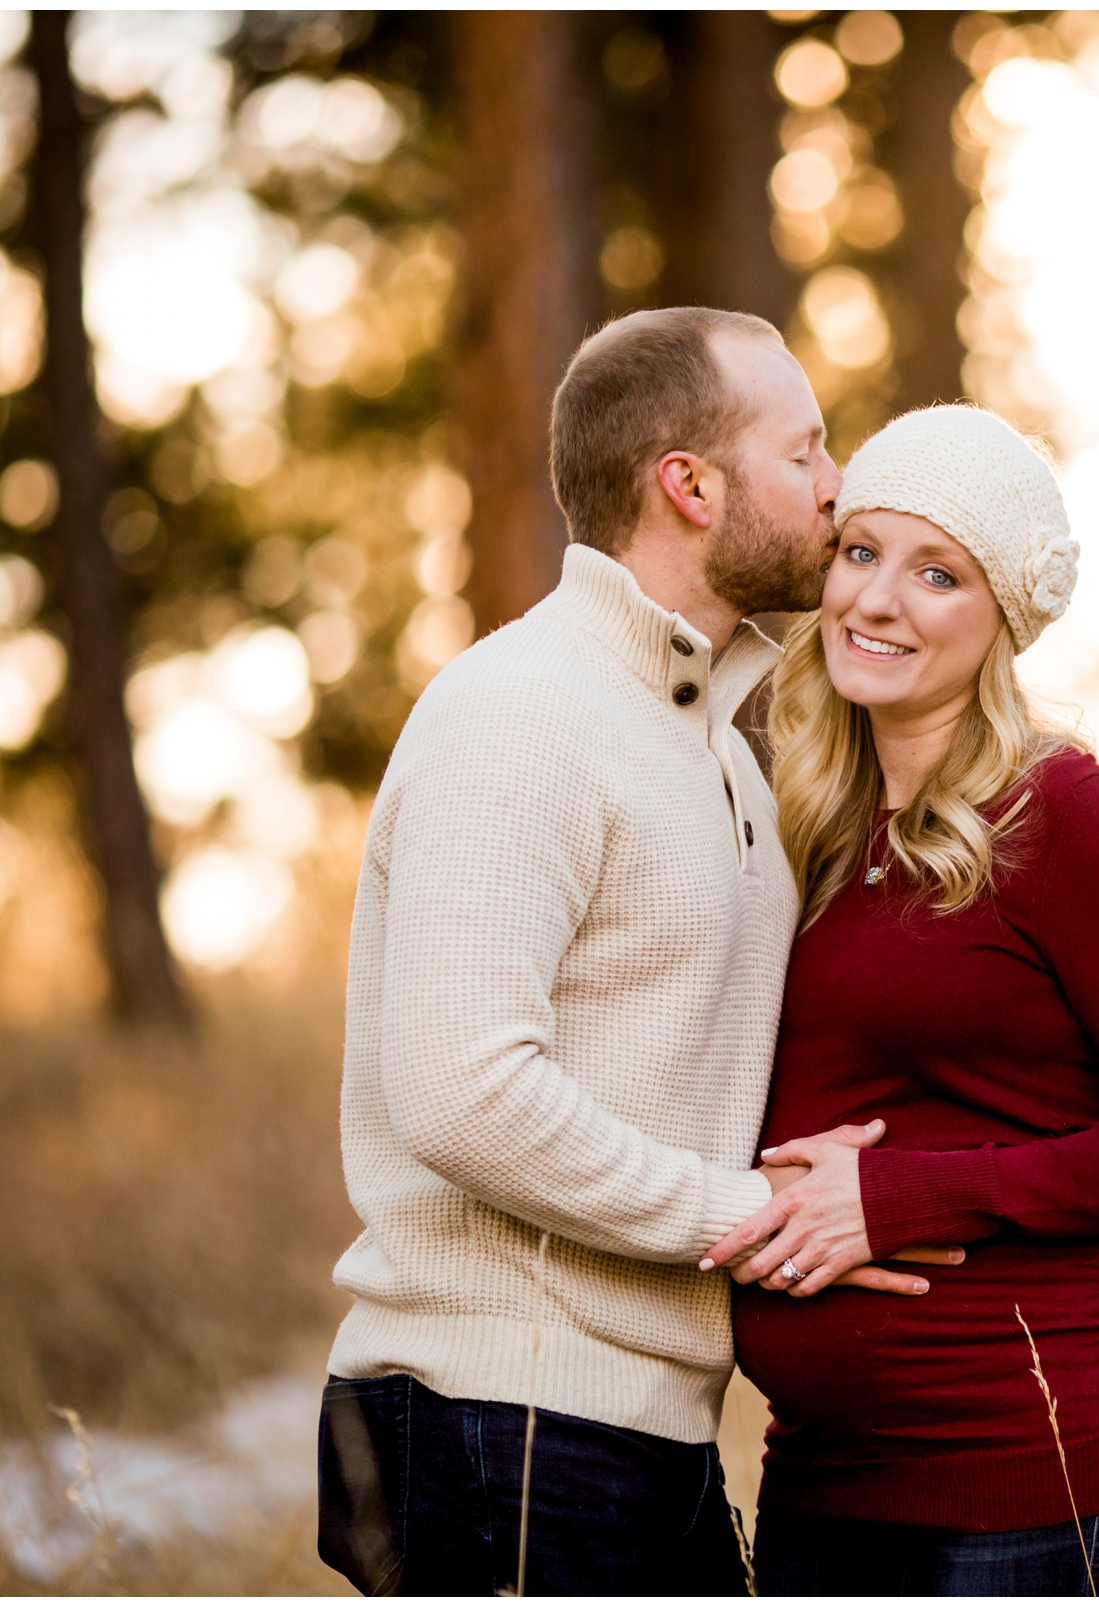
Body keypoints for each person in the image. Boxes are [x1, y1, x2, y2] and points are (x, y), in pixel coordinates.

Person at [315, 308, 953, 1597]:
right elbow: (460, 1084)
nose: (839, 490)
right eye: (808, 452)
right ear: (691, 484)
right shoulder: (522, 710)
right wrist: (747, 1216)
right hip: (499, 1405)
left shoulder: (712, 744)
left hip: (634, 1424)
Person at [702, 405, 1099, 1597]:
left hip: (1035, 1465)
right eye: (861, 552)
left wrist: (908, 1194)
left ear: (1001, 618)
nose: (877, 601)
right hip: (824, 1474)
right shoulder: (805, 827)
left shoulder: (1061, 815)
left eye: (937, 572)